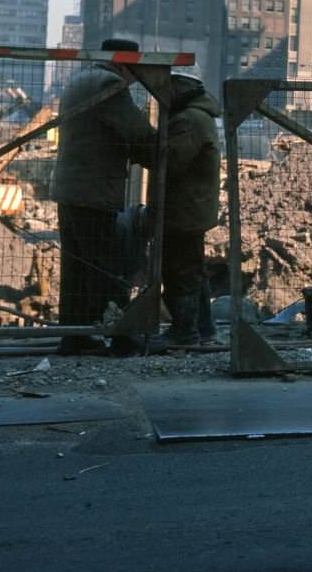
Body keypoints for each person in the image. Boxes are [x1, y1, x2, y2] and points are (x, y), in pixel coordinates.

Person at [51, 38, 156, 354]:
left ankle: (75, 335)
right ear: (125, 63)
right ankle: (123, 336)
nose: (137, 78)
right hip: (94, 190)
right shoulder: (109, 84)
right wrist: (161, 153)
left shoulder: (81, 78)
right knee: (108, 265)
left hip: (70, 188)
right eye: (136, 70)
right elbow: (137, 132)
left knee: (77, 269)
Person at [161, 67, 222, 345]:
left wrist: (148, 145)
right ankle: (203, 327)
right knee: (192, 267)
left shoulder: (189, 120)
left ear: (182, 87)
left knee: (180, 269)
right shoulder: (198, 117)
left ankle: (185, 331)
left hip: (184, 208)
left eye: (170, 86)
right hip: (192, 206)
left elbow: (169, 162)